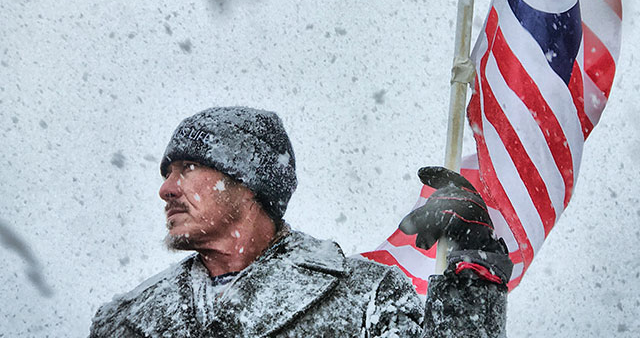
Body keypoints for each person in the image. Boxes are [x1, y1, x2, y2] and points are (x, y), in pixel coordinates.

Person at [90, 106, 512, 337]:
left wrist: (471, 285)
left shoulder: (365, 297)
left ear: (250, 182)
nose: (167, 189)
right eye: (166, 173)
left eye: (187, 168)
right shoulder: (123, 320)